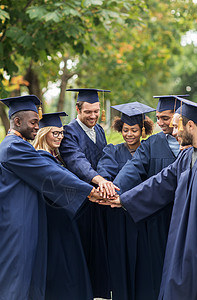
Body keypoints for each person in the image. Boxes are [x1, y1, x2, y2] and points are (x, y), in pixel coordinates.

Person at [0, 95, 102, 300]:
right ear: (17, 122)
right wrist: (89, 191)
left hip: (26, 221)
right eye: (33, 122)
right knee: (18, 280)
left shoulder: (20, 146)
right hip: (17, 226)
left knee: (30, 279)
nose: (37, 126)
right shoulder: (13, 147)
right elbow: (50, 173)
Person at [107, 97, 197, 300]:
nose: (172, 130)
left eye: (176, 125)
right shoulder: (185, 156)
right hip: (178, 224)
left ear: (190, 125)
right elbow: (159, 182)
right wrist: (121, 198)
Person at [60, 88, 118, 299]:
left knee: (101, 250)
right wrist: (100, 181)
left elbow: (106, 158)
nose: (93, 116)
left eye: (96, 111)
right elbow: (77, 161)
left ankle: (100, 293)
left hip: (100, 201)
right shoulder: (69, 132)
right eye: (88, 112)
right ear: (77, 109)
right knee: (84, 250)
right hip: (81, 202)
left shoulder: (100, 130)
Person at [97, 101, 155, 300]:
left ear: (143, 130)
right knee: (120, 261)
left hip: (142, 216)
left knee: (143, 263)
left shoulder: (150, 150)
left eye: (134, 130)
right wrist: (108, 187)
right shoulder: (112, 151)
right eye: (125, 130)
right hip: (118, 216)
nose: (129, 134)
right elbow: (104, 173)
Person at [32, 112, 93, 300]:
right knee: (61, 268)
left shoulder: (57, 157)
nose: (59, 137)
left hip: (67, 218)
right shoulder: (39, 159)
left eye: (61, 133)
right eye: (54, 133)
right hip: (53, 221)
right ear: (43, 133)